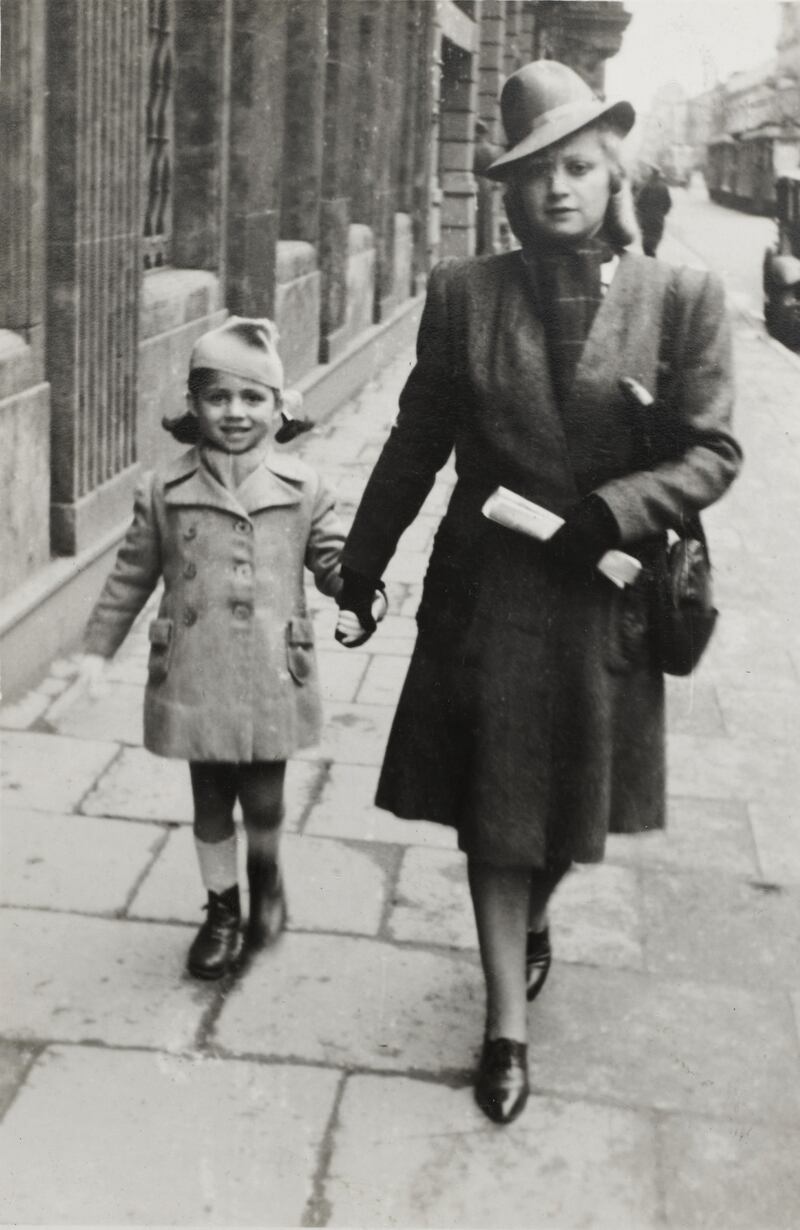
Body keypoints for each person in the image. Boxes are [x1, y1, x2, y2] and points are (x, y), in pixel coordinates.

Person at [334, 60, 742, 1125]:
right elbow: (415, 443)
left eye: (577, 167)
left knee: (567, 817)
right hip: (490, 595)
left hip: (605, 593)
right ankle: (504, 1027)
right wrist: (361, 566)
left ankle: (535, 915)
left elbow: (711, 453)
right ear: (506, 191)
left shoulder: (680, 299)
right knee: (494, 816)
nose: (556, 188)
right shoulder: (464, 295)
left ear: (613, 174)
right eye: (533, 173)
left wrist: (616, 510)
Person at [77, 317, 384, 980]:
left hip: (273, 669)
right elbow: (131, 574)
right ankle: (222, 909)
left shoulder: (304, 488)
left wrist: (361, 593)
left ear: (279, 407)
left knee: (265, 800)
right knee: (211, 799)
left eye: (252, 398)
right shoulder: (164, 489)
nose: (235, 412)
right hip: (195, 671)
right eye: (218, 397)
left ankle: (265, 878)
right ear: (193, 405)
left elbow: (333, 563)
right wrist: (97, 650)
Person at [635, 165, 673, 257]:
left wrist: (641, 214)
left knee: (646, 239)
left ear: (651, 174)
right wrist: (662, 213)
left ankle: (649, 255)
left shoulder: (645, 186)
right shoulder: (663, 187)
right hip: (658, 218)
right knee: (655, 237)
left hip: (646, 218)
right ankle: (651, 253)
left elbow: (638, 202)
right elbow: (668, 203)